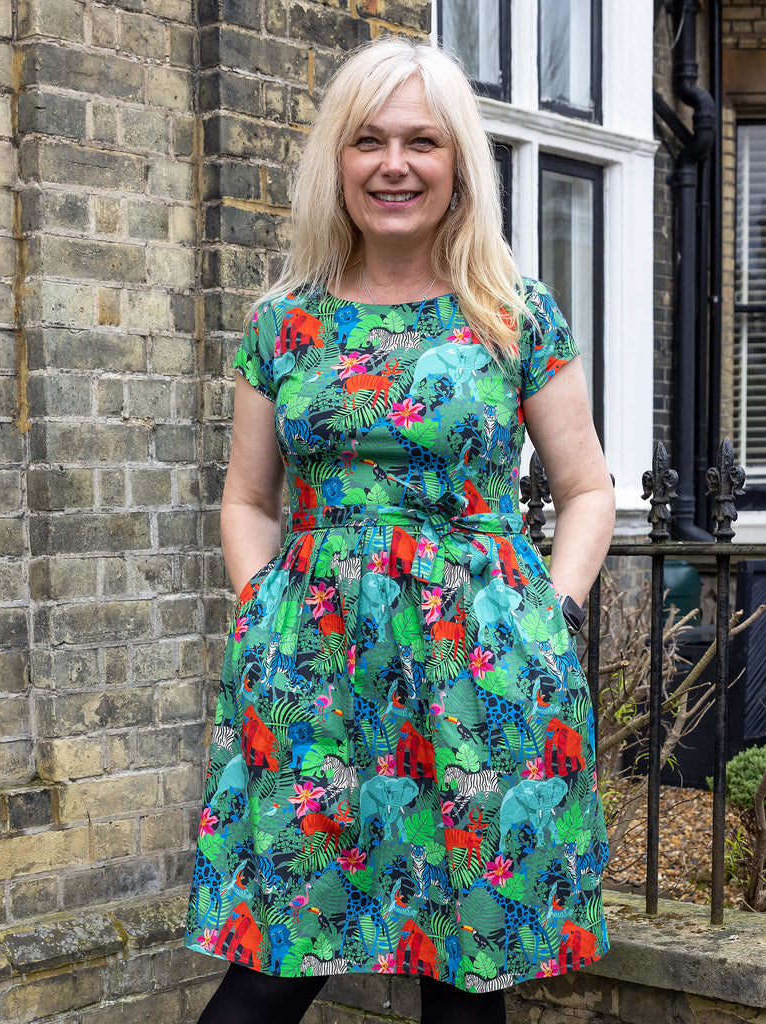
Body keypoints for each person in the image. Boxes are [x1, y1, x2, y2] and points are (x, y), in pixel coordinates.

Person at [185, 36, 615, 1024]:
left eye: (422, 141)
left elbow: (586, 486)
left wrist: (554, 609)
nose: (394, 164)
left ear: (457, 159)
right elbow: (246, 498)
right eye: (368, 140)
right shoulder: (283, 325)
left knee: (462, 976)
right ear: (336, 160)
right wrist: (260, 610)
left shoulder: (512, 312)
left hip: (482, 673)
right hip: (313, 676)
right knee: (271, 962)